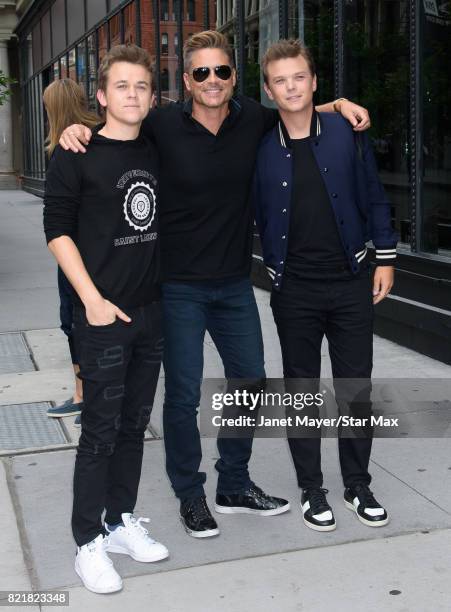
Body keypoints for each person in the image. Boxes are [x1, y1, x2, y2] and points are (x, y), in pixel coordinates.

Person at [58, 31, 372, 539]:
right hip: (176, 286)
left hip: (233, 284)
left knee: (249, 381)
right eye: (200, 72)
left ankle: (234, 483)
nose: (211, 81)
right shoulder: (161, 124)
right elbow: (119, 128)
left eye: (221, 71)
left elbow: (298, 107)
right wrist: (80, 129)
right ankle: (190, 494)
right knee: (183, 396)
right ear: (186, 81)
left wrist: (336, 103)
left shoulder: (254, 119)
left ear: (233, 78)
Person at [253, 39, 397, 532]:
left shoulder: (344, 132)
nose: (291, 87)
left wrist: (386, 257)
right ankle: (312, 490)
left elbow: (375, 197)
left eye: (299, 77)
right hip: (294, 289)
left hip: (353, 280)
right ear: (269, 90)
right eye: (280, 80)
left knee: (356, 388)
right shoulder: (259, 145)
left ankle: (357, 485)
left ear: (314, 83)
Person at [43, 44, 168, 594]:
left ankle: (119, 523)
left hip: (151, 312)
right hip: (103, 316)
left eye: (142, 86)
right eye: (122, 86)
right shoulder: (76, 151)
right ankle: (86, 542)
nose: (133, 95)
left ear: (152, 95)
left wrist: (328, 106)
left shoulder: (159, 144)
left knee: (133, 428)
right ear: (101, 96)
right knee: (98, 431)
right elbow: (57, 229)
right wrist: (90, 300)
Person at [43, 79, 100, 426]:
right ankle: (86, 396)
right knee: (79, 324)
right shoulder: (92, 137)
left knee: (77, 325)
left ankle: (87, 396)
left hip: (77, 252)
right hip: (89, 248)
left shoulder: (69, 147)